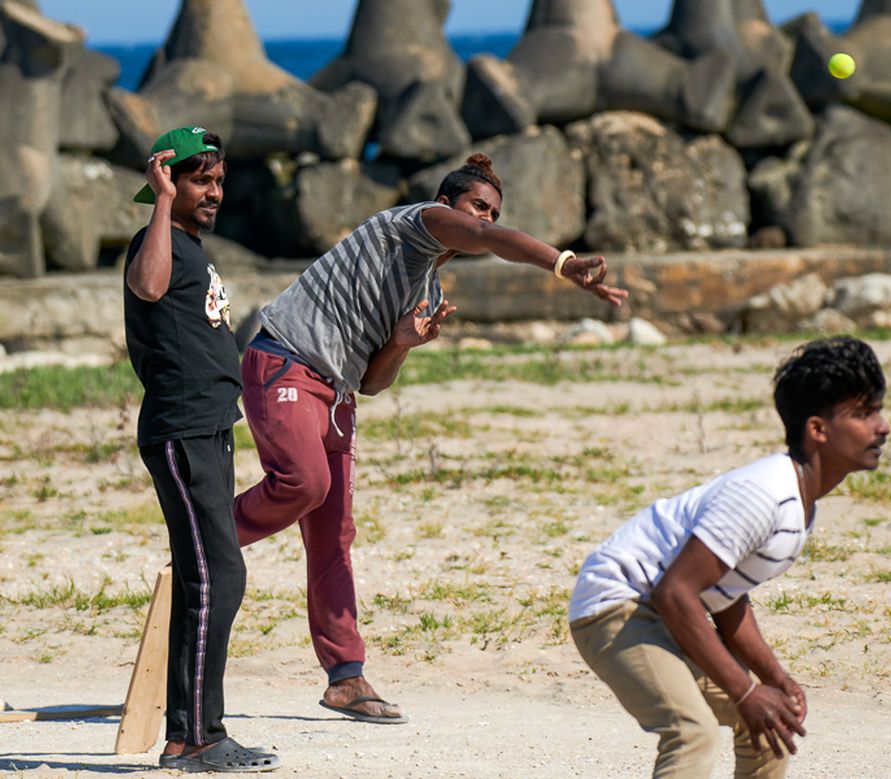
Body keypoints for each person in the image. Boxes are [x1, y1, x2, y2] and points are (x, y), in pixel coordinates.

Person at [235, 154, 628, 724]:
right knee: (304, 483)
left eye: (493, 211)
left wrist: (400, 343)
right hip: (285, 359)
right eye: (478, 207)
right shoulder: (413, 220)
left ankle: (346, 678)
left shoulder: (426, 287)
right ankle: (208, 536)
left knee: (333, 533)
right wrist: (561, 262)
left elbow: (373, 382)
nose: (485, 218)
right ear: (448, 206)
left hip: (339, 389)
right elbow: (489, 239)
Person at [568, 336, 891, 778]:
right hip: (614, 606)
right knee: (692, 730)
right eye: (864, 413)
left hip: (661, 610)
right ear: (818, 429)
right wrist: (744, 691)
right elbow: (676, 593)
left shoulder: (798, 504)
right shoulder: (763, 495)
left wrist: (774, 680)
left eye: (878, 410)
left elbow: (725, 597)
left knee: (768, 725)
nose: (883, 426)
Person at [124, 126, 278, 773]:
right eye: (200, 180)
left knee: (202, 579)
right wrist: (159, 202)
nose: (214, 191)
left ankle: (198, 732)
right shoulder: (155, 241)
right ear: (169, 179)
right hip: (181, 428)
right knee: (220, 574)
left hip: (208, 426)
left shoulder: (190, 246)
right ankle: (193, 738)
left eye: (218, 181)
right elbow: (148, 287)